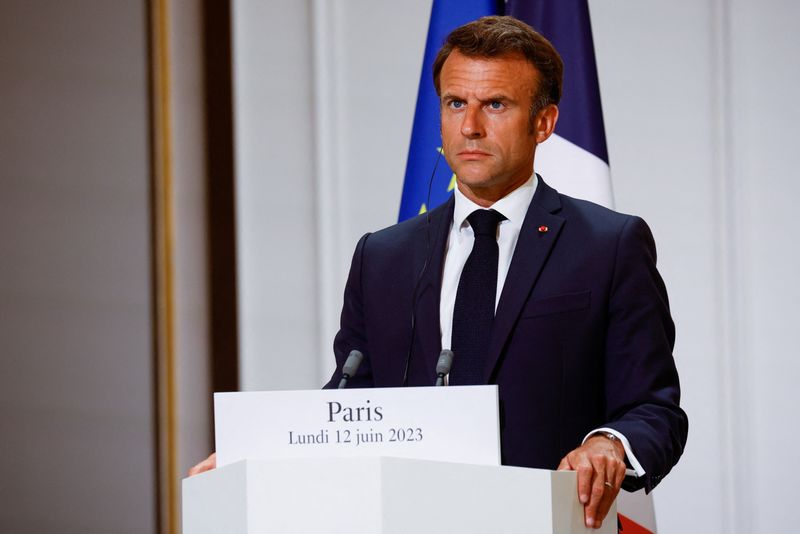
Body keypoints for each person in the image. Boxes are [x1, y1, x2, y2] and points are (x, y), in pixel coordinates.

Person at [191, 15, 687, 531]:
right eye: (455, 104)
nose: (470, 126)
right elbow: (349, 408)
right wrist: (259, 459)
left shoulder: (608, 245)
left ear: (543, 123)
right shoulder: (382, 257)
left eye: (495, 104)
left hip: (553, 520)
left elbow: (655, 410)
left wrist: (608, 445)